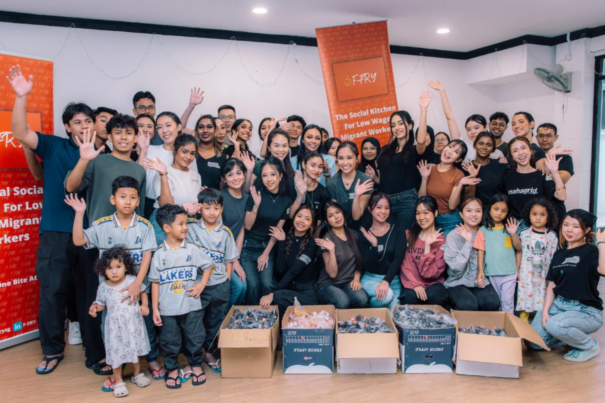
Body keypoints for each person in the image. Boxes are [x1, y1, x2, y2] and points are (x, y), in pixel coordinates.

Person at [7, 65, 100, 375]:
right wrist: (22, 97)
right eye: (78, 121)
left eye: (89, 120)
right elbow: (20, 133)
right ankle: (51, 350)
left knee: (89, 293)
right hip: (56, 232)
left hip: (90, 235)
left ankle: (93, 349)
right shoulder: (53, 145)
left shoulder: (104, 151)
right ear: (67, 126)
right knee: (53, 291)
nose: (85, 125)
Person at [65, 176, 164, 384]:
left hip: (138, 292)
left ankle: (149, 362)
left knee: (143, 329)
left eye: (132, 197)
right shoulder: (102, 225)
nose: (127, 201)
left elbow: (147, 255)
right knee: (112, 334)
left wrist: (137, 284)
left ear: (138, 201)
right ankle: (118, 373)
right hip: (111, 297)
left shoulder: (145, 226)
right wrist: (79, 213)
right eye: (122, 197)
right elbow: (78, 240)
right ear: (113, 199)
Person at [149, 204, 215, 389]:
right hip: (167, 309)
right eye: (181, 223)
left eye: (186, 223)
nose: (186, 227)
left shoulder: (192, 250)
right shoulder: (159, 255)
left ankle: (195, 365)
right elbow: (154, 282)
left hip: (191, 306)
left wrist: (201, 284)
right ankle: (171, 369)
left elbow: (209, 266)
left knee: (195, 337)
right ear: (167, 228)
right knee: (170, 341)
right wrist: (155, 308)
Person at [531, 209, 604, 362]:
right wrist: (545, 311)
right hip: (558, 305)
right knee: (533, 342)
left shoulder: (591, 251)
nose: (569, 230)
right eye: (566, 224)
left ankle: (589, 345)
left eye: (576, 226)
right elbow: (552, 284)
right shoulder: (559, 254)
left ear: (587, 230)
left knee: (554, 325)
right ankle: (568, 335)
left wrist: (602, 243)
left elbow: (603, 270)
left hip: (585, 310)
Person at [186, 189, 239, 374]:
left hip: (219, 285)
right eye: (207, 208)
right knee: (195, 321)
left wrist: (227, 280)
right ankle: (194, 357)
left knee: (215, 320)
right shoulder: (190, 226)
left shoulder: (225, 232)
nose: (211, 212)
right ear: (200, 209)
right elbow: (170, 223)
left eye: (216, 208)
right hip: (197, 285)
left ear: (221, 209)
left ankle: (208, 352)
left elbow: (229, 260)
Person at [89, 247, 151, 397]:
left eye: (118, 267)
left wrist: (144, 305)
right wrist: (94, 308)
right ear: (103, 269)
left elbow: (142, 292)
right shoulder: (103, 287)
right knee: (115, 354)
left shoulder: (132, 281)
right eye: (110, 268)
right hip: (114, 328)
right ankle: (118, 381)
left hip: (133, 324)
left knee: (135, 349)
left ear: (126, 267)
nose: (114, 271)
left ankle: (137, 374)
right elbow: (102, 304)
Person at [66, 114, 147, 222]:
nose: (123, 137)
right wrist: (83, 160)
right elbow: (70, 188)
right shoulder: (96, 161)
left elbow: (139, 209)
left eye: (128, 133)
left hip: (130, 234)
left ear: (135, 138)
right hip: (99, 232)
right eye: (118, 133)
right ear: (109, 137)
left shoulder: (139, 170)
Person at [368, 93, 431, 230]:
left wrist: (423, 110)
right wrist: (375, 178)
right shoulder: (386, 150)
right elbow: (387, 179)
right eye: (393, 125)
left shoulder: (414, 150)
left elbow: (421, 141)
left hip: (407, 201)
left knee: (403, 239)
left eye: (401, 123)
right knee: (388, 239)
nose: (397, 128)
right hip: (386, 201)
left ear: (409, 125)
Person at [242, 157, 292, 304]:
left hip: (266, 247)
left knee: (267, 285)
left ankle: (269, 319)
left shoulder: (285, 200)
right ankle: (251, 318)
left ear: (280, 176)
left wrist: (265, 254)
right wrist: (256, 206)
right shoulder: (256, 194)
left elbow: (276, 231)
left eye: (272, 174)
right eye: (264, 175)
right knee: (252, 285)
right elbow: (247, 226)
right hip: (247, 247)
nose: (269, 179)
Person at [259, 205, 319, 318]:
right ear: (294, 217)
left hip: (306, 293)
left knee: (276, 297)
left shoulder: (312, 244)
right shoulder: (286, 238)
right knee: (274, 303)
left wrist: (273, 294)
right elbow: (280, 269)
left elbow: (294, 271)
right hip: (288, 291)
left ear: (311, 224)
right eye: (299, 216)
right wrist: (281, 242)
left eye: (307, 218)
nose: (301, 221)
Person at [444, 198, 501, 311]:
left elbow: (492, 261)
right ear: (461, 214)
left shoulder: (486, 233)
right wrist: (468, 244)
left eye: (478, 211)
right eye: (469, 210)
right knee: (468, 305)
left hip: (480, 282)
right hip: (457, 283)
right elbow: (455, 270)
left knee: (492, 303)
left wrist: (484, 275)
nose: (474, 214)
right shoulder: (453, 236)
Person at [144, 134, 202, 245]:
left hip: (186, 224)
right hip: (164, 224)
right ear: (174, 150)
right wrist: (164, 174)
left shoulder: (196, 176)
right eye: (184, 151)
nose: (188, 157)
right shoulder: (163, 172)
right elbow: (166, 206)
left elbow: (194, 206)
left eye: (192, 153)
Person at [510, 198, 558, 322]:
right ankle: (524, 326)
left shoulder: (552, 236)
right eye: (534, 214)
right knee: (525, 297)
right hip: (526, 273)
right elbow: (518, 251)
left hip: (544, 274)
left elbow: (554, 256)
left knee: (541, 298)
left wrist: (553, 275)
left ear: (549, 216)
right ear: (528, 215)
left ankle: (538, 325)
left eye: (542, 214)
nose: (538, 218)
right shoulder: (523, 233)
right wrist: (517, 270)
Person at [418, 139, 479, 237]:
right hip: (429, 218)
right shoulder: (430, 169)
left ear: (458, 159)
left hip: (449, 220)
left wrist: (460, 184)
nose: (450, 151)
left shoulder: (458, 174)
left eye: (456, 151)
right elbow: (422, 200)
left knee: (446, 249)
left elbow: (452, 206)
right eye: (450, 146)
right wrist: (424, 178)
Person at [315, 202, 369, 309]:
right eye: (331, 215)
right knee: (342, 301)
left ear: (342, 213)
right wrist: (331, 250)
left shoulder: (354, 234)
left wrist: (356, 279)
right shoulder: (327, 239)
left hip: (348, 282)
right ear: (326, 221)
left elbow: (359, 261)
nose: (336, 217)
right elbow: (332, 274)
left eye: (337, 212)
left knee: (363, 299)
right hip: (327, 284)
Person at [500, 137, 566, 224]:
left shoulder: (542, 175)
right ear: (511, 156)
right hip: (515, 228)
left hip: (539, 227)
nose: (520, 153)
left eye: (523, 148)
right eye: (515, 150)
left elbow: (561, 197)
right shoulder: (507, 177)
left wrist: (554, 172)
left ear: (531, 150)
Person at [358, 193, 406, 311]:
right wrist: (374, 245)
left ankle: (375, 310)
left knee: (394, 313)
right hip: (371, 278)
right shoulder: (364, 232)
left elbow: (398, 258)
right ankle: (369, 307)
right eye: (378, 207)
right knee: (386, 296)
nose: (383, 211)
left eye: (386, 207)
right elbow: (370, 265)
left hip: (393, 280)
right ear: (370, 209)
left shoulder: (397, 229)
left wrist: (386, 281)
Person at [399, 196, 449, 307]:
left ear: (435, 213)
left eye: (426, 213)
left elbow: (430, 274)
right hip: (411, 281)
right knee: (410, 297)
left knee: (436, 297)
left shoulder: (442, 241)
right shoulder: (408, 235)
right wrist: (414, 284)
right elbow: (405, 265)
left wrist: (427, 247)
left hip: (432, 283)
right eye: (418, 213)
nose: (421, 217)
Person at [473, 194, 518, 314]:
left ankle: (509, 329)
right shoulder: (483, 230)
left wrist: (513, 234)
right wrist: (480, 271)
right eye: (496, 209)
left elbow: (519, 248)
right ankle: (499, 329)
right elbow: (480, 251)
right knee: (497, 303)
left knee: (507, 302)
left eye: (504, 211)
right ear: (490, 209)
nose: (499, 213)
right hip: (492, 273)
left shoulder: (509, 228)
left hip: (509, 273)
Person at [137, 111, 185, 221]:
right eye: (159, 127)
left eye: (168, 125)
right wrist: (143, 150)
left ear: (178, 126)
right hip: (146, 202)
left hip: (172, 204)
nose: (164, 131)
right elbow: (138, 176)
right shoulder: (150, 149)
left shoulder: (186, 155)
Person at [220, 159, 250, 309]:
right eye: (230, 174)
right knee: (238, 287)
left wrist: (236, 258)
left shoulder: (246, 198)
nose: (236, 178)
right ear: (224, 179)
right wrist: (232, 260)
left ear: (245, 175)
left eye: (239, 173)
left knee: (243, 287)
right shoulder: (220, 198)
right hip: (218, 253)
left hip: (233, 253)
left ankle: (231, 319)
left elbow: (241, 230)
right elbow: (218, 234)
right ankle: (222, 319)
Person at [461, 132, 510, 207]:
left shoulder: (501, 165)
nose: (484, 147)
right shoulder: (467, 168)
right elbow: (467, 199)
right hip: (476, 212)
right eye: (481, 143)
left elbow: (507, 192)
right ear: (475, 145)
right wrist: (472, 176)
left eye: (489, 145)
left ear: (493, 148)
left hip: (497, 212)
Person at [291, 153, 331, 232]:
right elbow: (291, 216)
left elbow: (319, 223)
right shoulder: (293, 186)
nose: (316, 170)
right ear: (303, 164)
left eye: (320, 167)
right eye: (312, 165)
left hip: (311, 234)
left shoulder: (324, 192)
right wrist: (300, 194)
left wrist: (313, 241)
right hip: (291, 232)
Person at [194, 114, 227, 190]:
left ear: (215, 130)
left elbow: (222, 187)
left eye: (209, 127)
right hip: (189, 200)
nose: (205, 130)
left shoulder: (223, 157)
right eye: (201, 127)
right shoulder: (190, 152)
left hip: (213, 200)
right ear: (196, 131)